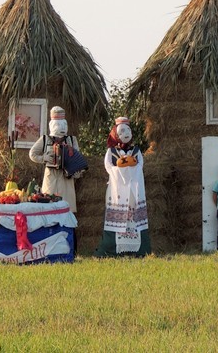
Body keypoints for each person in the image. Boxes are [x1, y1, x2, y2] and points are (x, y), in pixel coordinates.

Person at [95, 117, 152, 257]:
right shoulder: (112, 152)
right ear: (116, 134)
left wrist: (129, 167)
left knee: (133, 216)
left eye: (128, 130)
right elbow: (109, 167)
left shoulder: (136, 151)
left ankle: (138, 249)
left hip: (133, 191)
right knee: (118, 217)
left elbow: (140, 168)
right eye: (122, 131)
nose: (126, 133)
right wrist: (121, 168)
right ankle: (112, 249)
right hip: (117, 190)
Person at [29, 106, 83, 212]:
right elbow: (32, 154)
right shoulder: (45, 139)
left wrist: (77, 170)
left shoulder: (72, 140)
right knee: (48, 204)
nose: (62, 127)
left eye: (63, 124)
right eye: (58, 124)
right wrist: (43, 158)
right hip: (51, 176)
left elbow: (78, 158)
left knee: (66, 206)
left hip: (66, 177)